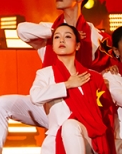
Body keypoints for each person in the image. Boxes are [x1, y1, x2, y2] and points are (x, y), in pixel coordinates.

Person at [0, 0, 104, 154]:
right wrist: (59, 32)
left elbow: (103, 66)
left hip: (74, 108)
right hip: (46, 103)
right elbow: (21, 30)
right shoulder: (47, 32)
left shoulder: (94, 36)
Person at [28, 22, 121, 154]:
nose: (61, 40)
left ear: (77, 45)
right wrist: (67, 84)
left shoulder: (93, 77)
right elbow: (35, 97)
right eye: (57, 37)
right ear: (52, 46)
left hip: (89, 138)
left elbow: (107, 113)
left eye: (67, 36)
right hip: (55, 141)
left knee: (70, 126)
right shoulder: (45, 74)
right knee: (68, 126)